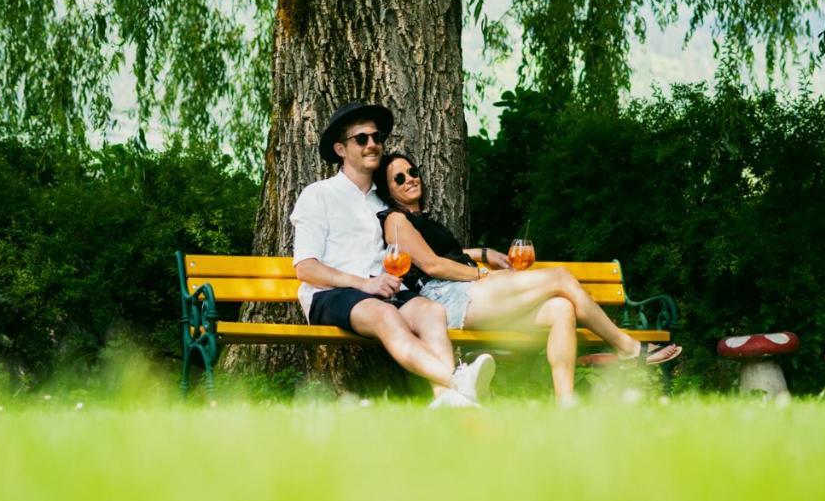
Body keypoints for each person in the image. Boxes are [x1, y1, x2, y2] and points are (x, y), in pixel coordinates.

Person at [372, 152, 680, 405]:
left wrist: (482, 251)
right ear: (388, 191)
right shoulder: (396, 220)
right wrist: (481, 273)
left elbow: (443, 253)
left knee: (561, 308)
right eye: (399, 178)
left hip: (467, 292)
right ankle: (626, 347)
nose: (410, 178)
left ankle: (565, 403)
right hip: (447, 298)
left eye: (412, 171)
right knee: (559, 277)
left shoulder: (419, 221)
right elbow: (433, 266)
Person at [290, 104, 495, 408]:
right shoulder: (319, 194)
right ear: (340, 148)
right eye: (361, 139)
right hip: (331, 293)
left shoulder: (384, 201)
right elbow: (306, 268)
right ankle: (457, 379)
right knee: (386, 315)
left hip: (384, 288)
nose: (372, 144)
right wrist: (363, 284)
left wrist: (478, 253)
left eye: (377, 137)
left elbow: (423, 252)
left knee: (431, 311)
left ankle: (448, 399)